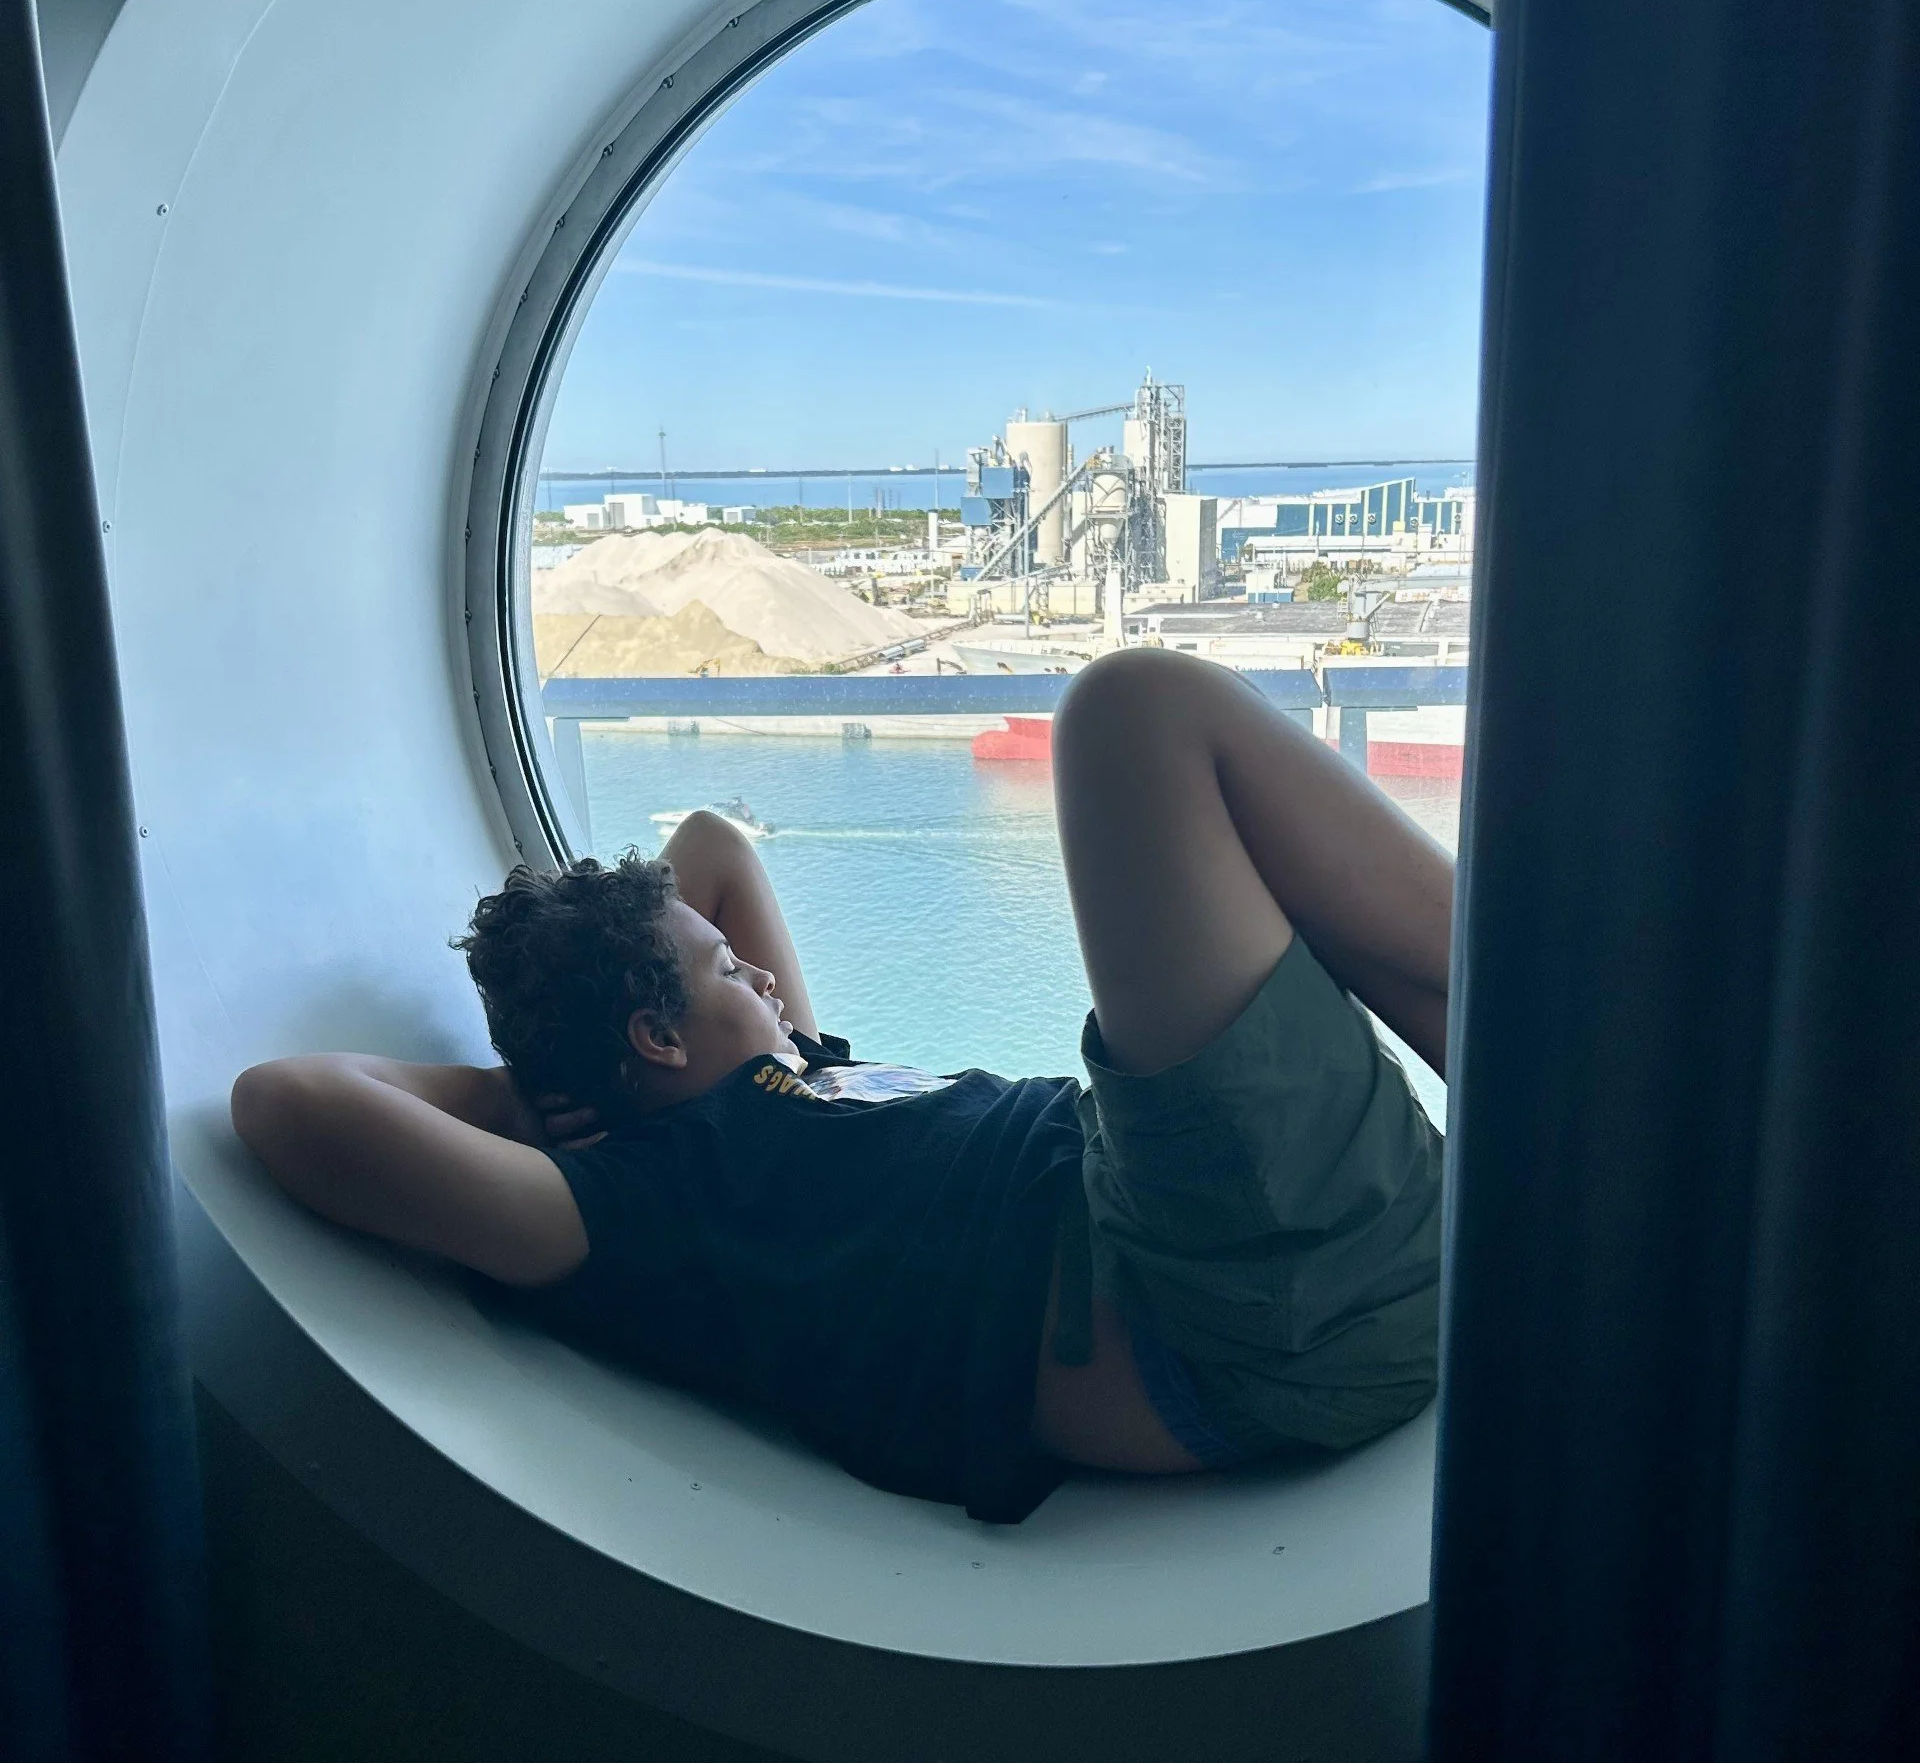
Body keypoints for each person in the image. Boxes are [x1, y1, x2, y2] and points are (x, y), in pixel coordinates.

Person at [232, 652, 1451, 1523]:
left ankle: (1537, 1074)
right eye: (726, 969)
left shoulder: (793, 1074)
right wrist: (524, 1098)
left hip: (1230, 1238)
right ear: (657, 1039)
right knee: (1134, 713)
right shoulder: (644, 1204)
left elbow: (713, 841)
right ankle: (1556, 1045)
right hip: (1228, 1293)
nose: (760, 968)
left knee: (1372, 932)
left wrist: (635, 1002)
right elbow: (287, 1100)